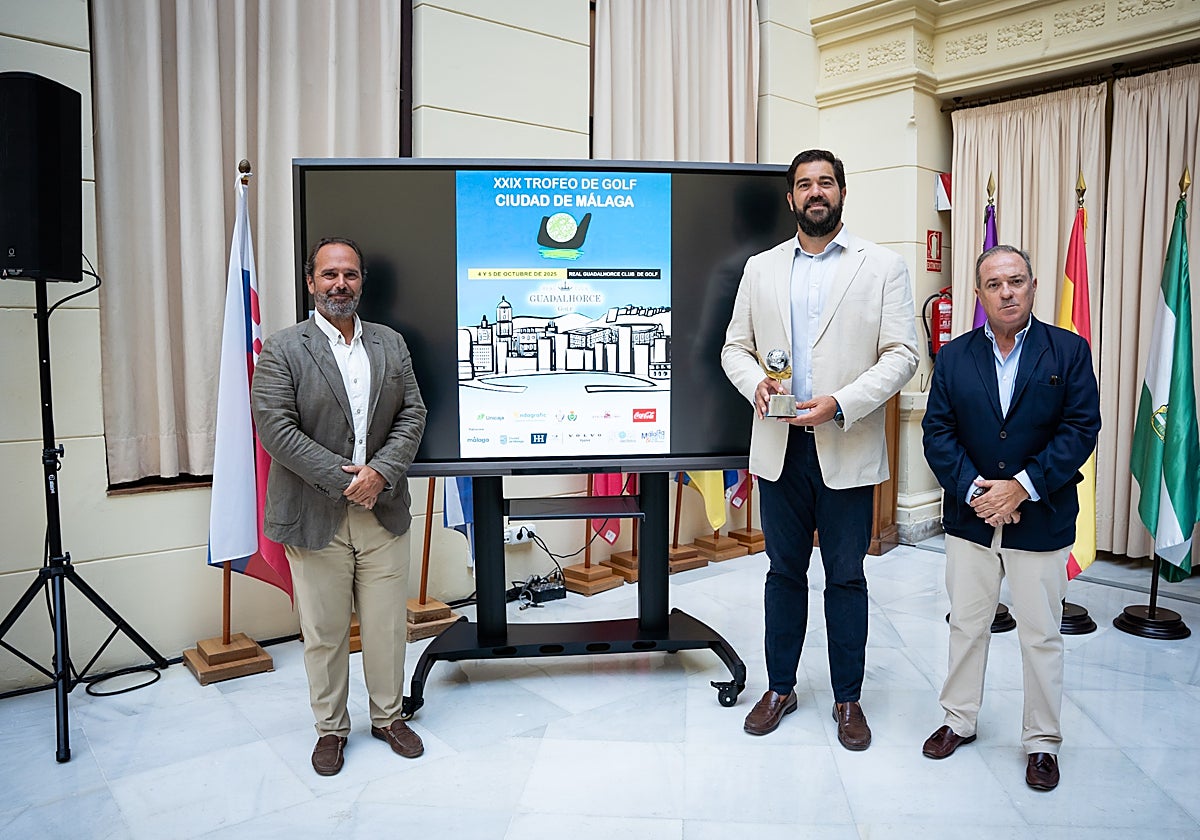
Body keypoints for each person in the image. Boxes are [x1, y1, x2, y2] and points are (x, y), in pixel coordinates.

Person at [721, 149, 919, 749]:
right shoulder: (760, 268)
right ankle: (779, 686)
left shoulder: (882, 267)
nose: (815, 193)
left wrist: (842, 402)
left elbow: (903, 355)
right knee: (783, 575)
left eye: (825, 183)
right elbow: (734, 347)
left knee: (846, 578)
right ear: (790, 198)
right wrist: (754, 381)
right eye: (804, 184)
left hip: (846, 443)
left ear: (841, 192)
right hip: (779, 449)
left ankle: (848, 699)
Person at [921, 245, 1100, 791]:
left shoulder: (1068, 351)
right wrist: (979, 488)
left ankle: (1042, 741)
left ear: (1033, 285)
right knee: (966, 624)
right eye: (994, 284)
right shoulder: (954, 357)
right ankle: (959, 719)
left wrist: (1020, 488)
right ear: (980, 294)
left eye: (1016, 281)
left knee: (1041, 635)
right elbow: (938, 432)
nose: (1006, 292)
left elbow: (1080, 430)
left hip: (1039, 519)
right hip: (972, 518)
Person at [252, 236, 427, 776]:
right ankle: (330, 730)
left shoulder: (390, 343)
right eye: (329, 275)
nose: (340, 285)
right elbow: (275, 429)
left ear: (361, 281)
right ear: (311, 282)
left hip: (384, 510)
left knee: (385, 628)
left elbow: (413, 415)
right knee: (325, 634)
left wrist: (381, 474)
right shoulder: (283, 348)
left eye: (349, 275)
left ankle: (388, 717)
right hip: (315, 515)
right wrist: (347, 480)